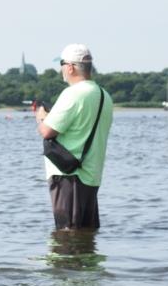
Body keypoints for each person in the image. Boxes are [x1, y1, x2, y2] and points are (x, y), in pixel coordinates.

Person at [35, 44, 113, 230]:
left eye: (62, 64)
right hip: (91, 175)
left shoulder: (73, 94)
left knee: (66, 235)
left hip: (69, 176)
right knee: (86, 235)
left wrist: (41, 118)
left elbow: (47, 131)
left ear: (70, 67)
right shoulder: (104, 95)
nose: (61, 69)